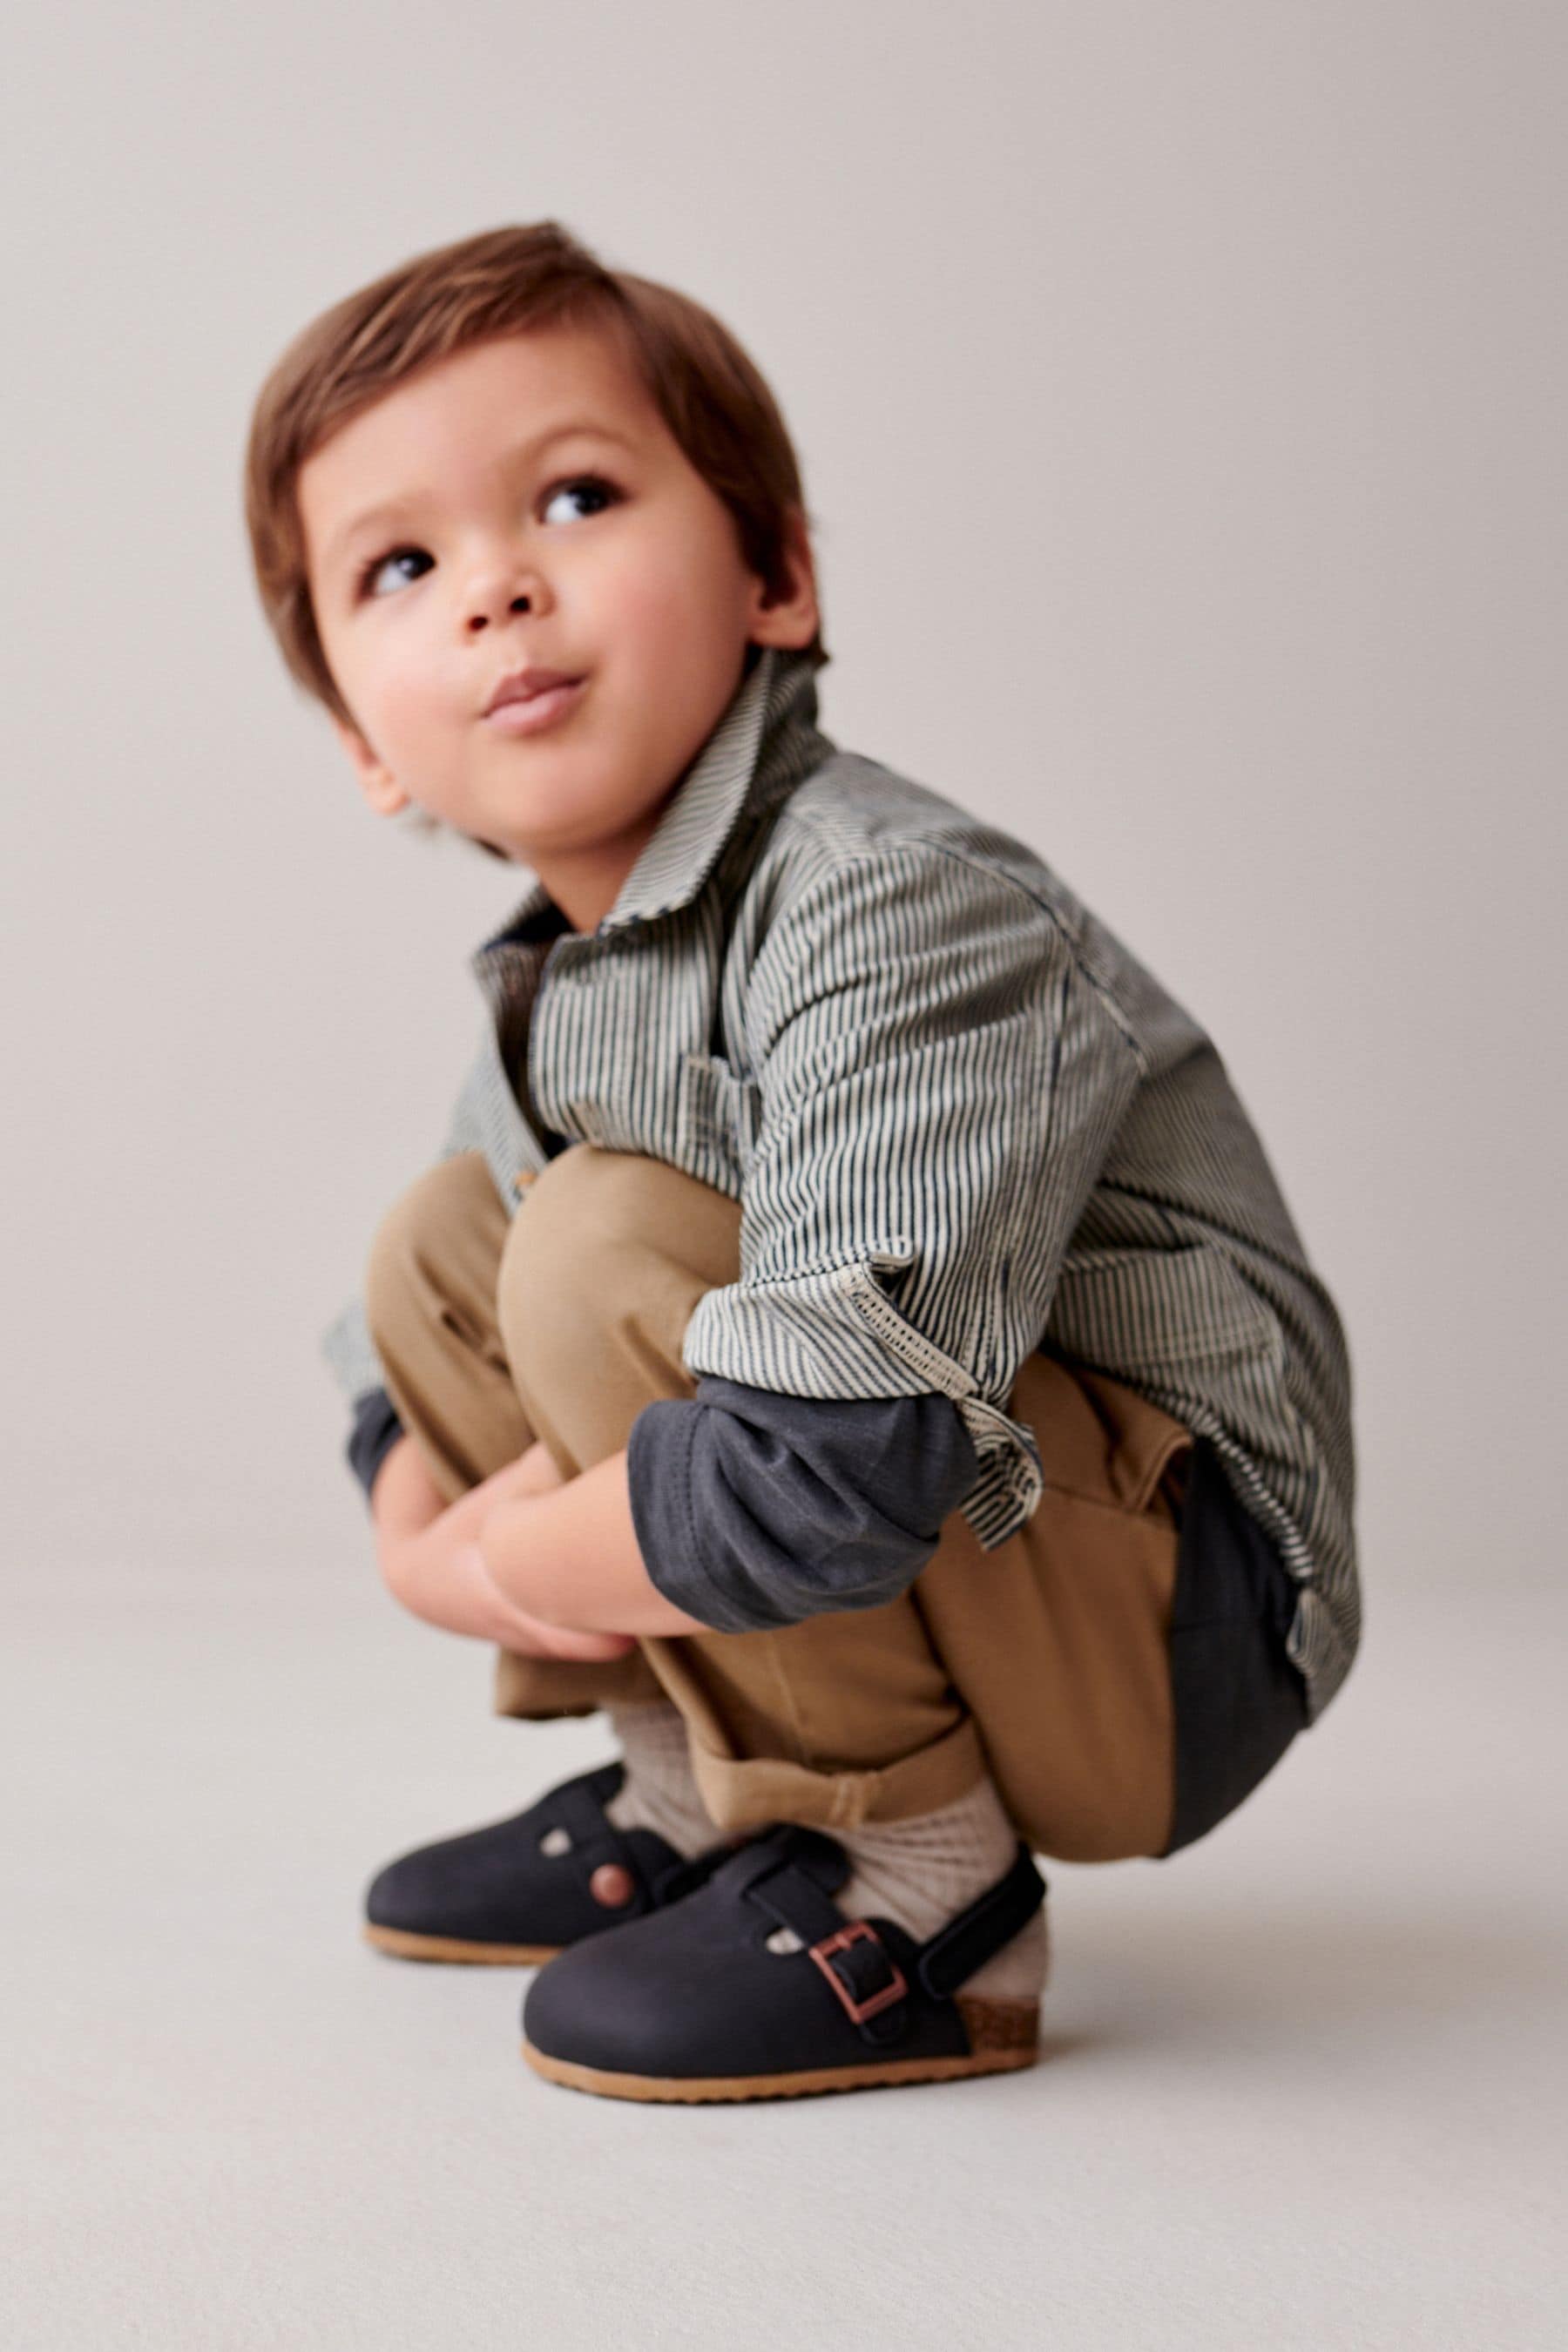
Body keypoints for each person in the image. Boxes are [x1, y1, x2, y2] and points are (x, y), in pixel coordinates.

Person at [242, 220, 1359, 2105]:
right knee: (450, 1236)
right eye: (406, 565)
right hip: (958, 1540)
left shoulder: (892, 906)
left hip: (1165, 1624)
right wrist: (422, 1547)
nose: (499, 589)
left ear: (771, 573)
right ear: (365, 735)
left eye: (576, 496)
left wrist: (504, 1557)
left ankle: (921, 1885)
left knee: (600, 1240)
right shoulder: (583, 967)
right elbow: (411, 1357)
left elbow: (845, 1454)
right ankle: (706, 1806)